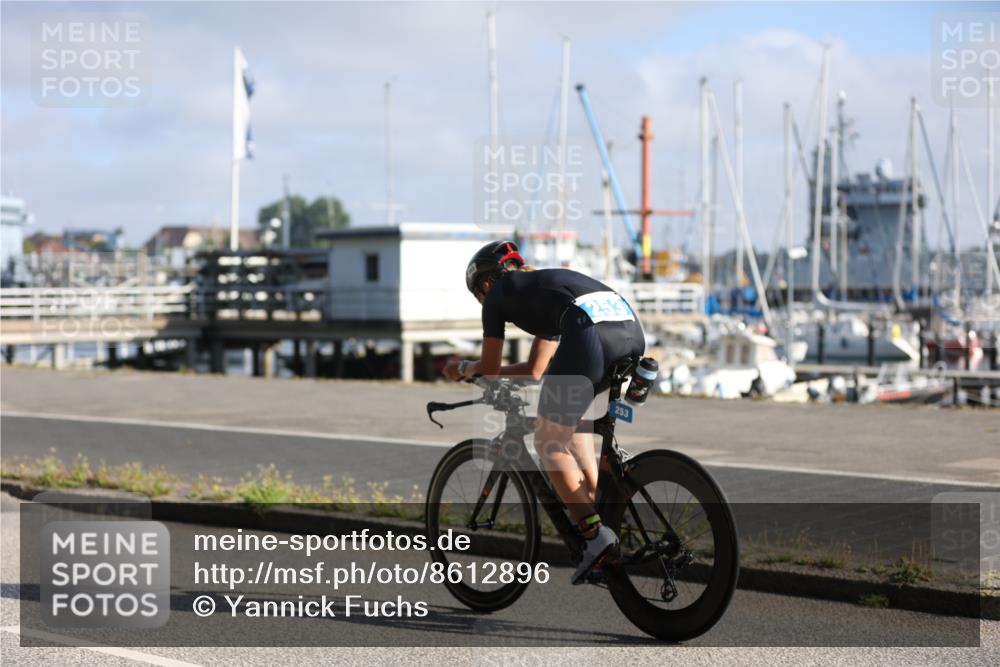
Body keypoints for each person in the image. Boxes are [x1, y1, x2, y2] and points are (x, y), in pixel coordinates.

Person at [442, 240, 645, 584]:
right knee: (573, 430)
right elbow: (537, 369)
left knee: (548, 441)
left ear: (486, 283)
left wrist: (463, 368)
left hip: (590, 333)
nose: (482, 301)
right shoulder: (545, 289)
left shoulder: (497, 295)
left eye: (478, 294)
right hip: (629, 332)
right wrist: (498, 373)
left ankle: (595, 539)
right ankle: (603, 515)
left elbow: (488, 368)